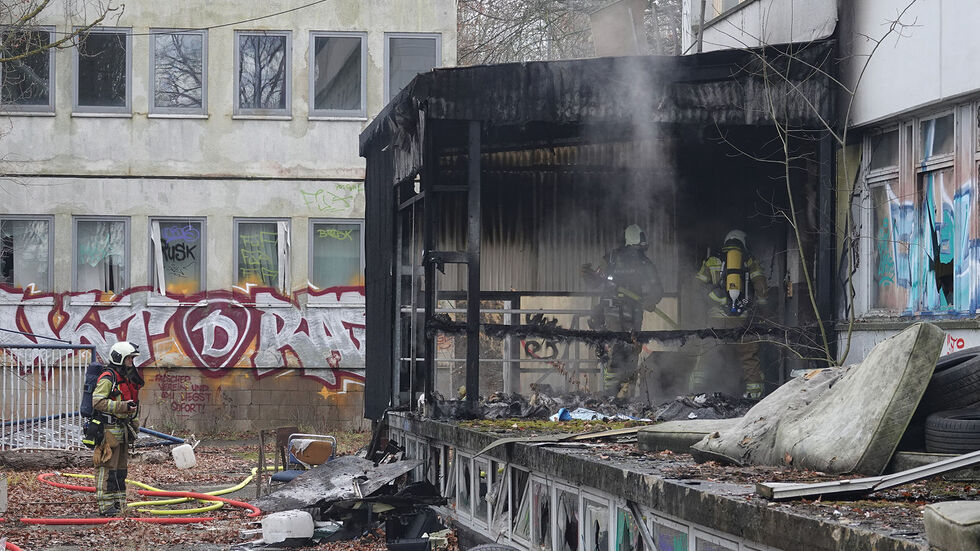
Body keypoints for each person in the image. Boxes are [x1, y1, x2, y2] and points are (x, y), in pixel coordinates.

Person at [582, 224, 664, 398]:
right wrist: (587, 275)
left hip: (631, 312)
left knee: (630, 352)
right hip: (616, 311)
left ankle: (624, 395)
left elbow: (657, 289)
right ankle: (612, 395)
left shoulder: (623, 259)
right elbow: (595, 281)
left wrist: (650, 300)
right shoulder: (620, 259)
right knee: (619, 351)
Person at [692, 229, 769, 399]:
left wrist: (713, 299)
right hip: (741, 320)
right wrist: (761, 308)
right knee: (749, 356)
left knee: (706, 354)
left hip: (715, 320)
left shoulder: (712, 261)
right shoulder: (749, 261)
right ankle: (754, 395)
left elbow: (696, 287)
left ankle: (696, 393)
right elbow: (762, 289)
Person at [92, 341, 143, 516]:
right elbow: (97, 402)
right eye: (129, 358)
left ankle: (119, 504)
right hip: (108, 430)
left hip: (123, 430)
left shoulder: (127, 378)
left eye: (132, 358)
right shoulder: (108, 378)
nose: (131, 362)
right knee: (107, 469)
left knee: (120, 470)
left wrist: (135, 427)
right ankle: (106, 506)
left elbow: (134, 405)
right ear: (119, 358)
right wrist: (121, 406)